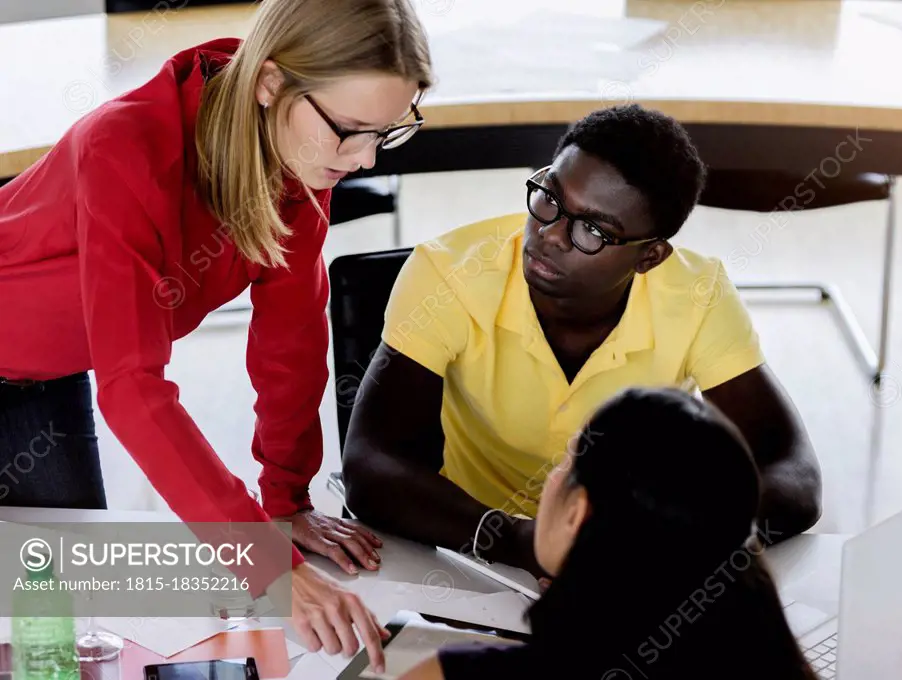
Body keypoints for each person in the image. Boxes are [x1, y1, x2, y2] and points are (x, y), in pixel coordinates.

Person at [0, 0, 431, 669]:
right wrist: (265, 568)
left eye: (386, 132)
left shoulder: (298, 156)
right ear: (270, 83)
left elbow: (290, 344)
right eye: (350, 130)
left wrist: (285, 503)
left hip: (43, 378)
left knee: (64, 622)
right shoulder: (125, 146)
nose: (366, 159)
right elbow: (134, 389)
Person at [342, 104, 822, 577]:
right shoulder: (446, 274)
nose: (550, 234)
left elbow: (791, 472)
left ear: (649, 257)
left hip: (630, 556)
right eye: (550, 199)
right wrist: (526, 544)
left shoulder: (697, 295)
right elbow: (371, 467)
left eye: (592, 230)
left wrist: (674, 546)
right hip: (471, 548)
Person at [397, 387, 819, 679]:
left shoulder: (456, 674)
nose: (552, 478)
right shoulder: (775, 663)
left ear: (576, 513)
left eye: (566, 461)